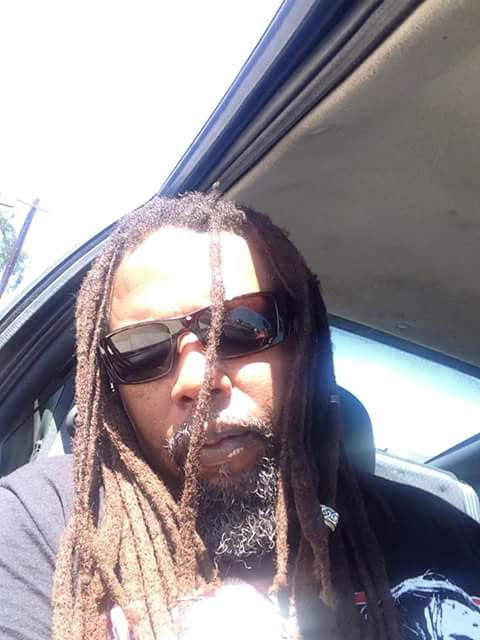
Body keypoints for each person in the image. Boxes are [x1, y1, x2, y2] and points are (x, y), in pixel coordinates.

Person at [0, 191, 479, 640]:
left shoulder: (445, 540)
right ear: (111, 386)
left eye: (240, 326)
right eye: (140, 349)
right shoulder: (41, 527)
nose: (198, 379)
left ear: (305, 343)